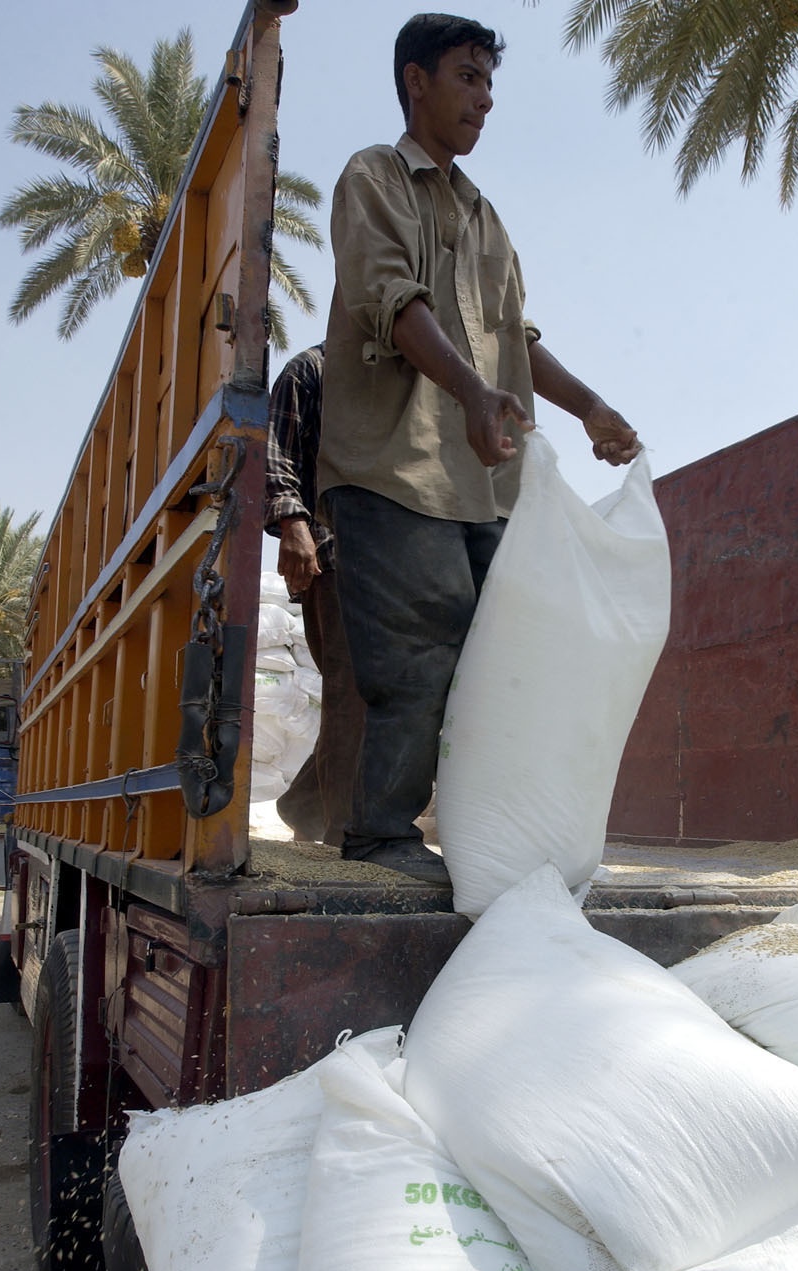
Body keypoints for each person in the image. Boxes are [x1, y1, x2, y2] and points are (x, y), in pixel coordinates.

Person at [317, 12, 642, 885]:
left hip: (480, 487)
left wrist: (588, 406)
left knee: (506, 656)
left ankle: (487, 837)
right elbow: (391, 299)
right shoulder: (372, 178)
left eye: (491, 84)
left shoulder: (485, 217)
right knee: (419, 659)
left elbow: (516, 337)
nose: (486, 99)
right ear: (415, 81)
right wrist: (469, 390)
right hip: (392, 473)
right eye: (468, 77)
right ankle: (380, 834)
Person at [264, 342, 366, 848]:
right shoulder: (312, 369)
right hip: (336, 555)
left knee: (381, 697)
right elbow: (276, 453)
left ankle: (304, 803)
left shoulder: (409, 378)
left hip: (397, 560)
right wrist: (293, 525)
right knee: (351, 694)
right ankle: (344, 836)